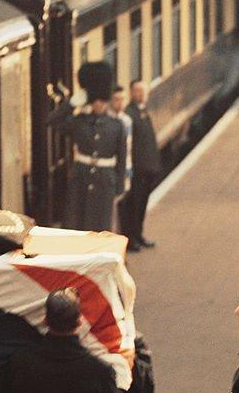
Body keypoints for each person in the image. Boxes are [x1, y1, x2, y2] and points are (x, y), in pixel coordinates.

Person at [48, 61, 127, 232]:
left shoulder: (117, 125)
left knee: (102, 229)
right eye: (95, 101)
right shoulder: (79, 123)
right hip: (81, 177)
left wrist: (119, 187)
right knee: (76, 226)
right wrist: (71, 104)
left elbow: (121, 158)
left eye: (102, 101)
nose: (99, 104)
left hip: (105, 181)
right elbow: (52, 121)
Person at [122, 80, 160, 251]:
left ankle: (138, 234)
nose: (140, 94)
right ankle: (130, 239)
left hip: (147, 168)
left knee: (142, 204)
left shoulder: (143, 111)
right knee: (132, 205)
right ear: (131, 93)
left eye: (143, 91)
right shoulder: (129, 114)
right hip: (136, 170)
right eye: (137, 91)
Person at [110, 86, 133, 238]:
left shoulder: (127, 120)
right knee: (112, 213)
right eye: (116, 100)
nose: (120, 103)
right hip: (112, 171)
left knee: (123, 210)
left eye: (122, 100)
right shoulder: (109, 121)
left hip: (127, 168)